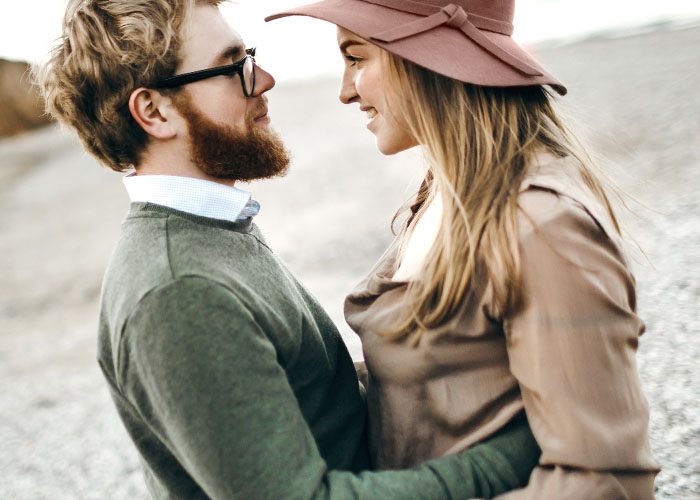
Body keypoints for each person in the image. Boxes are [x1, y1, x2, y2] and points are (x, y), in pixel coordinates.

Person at [37, 0, 543, 498]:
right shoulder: (179, 292)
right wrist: (514, 451)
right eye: (232, 67)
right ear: (154, 111)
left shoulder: (212, 230)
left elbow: (313, 400)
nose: (264, 80)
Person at [267, 0, 660, 498]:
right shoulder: (446, 192)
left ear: (427, 55)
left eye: (357, 57)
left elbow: (605, 479)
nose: (345, 92)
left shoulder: (541, 226)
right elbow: (449, 386)